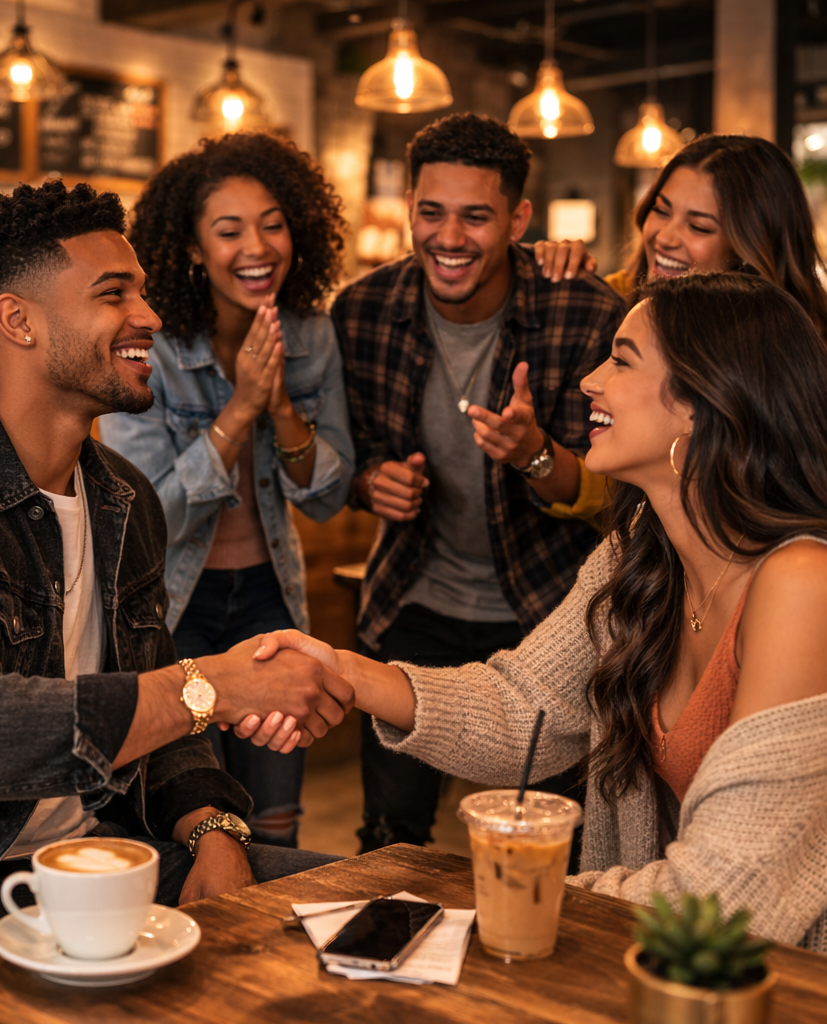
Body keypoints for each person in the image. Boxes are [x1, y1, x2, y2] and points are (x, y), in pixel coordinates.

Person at [0, 180, 353, 1024]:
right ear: (19, 321)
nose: (152, 318)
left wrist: (213, 829)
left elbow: (155, 697)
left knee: (373, 935)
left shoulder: (122, 497)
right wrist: (215, 685)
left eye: (141, 289)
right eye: (114, 294)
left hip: (102, 865)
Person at [251, 272, 827, 952]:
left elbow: (731, 896)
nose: (589, 381)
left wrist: (497, 900)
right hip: (657, 962)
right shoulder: (638, 556)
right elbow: (526, 707)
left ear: (702, 402)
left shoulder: (802, 582)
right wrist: (348, 674)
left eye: (621, 359)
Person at [331, 112, 624, 855]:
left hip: (549, 614)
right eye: (430, 212)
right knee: (391, 838)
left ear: (519, 218)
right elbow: (347, 457)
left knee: (551, 841)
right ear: (409, 209)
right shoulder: (362, 311)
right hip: (413, 605)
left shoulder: (582, 311)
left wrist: (534, 452)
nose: (449, 237)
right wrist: (372, 483)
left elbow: (617, 493)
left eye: (476, 216)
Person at [100, 133, 354, 848]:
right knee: (200, 821)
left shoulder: (311, 335)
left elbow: (328, 498)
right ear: (191, 247)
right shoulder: (151, 346)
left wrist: (278, 407)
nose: (257, 246)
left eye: (272, 224)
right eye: (230, 229)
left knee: (276, 818)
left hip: (272, 598)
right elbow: (147, 515)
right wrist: (241, 409)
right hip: (177, 605)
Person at [529, 133, 827, 524]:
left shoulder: (793, 357)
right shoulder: (613, 305)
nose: (665, 237)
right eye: (661, 210)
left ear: (749, 245)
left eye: (699, 227)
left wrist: (535, 457)